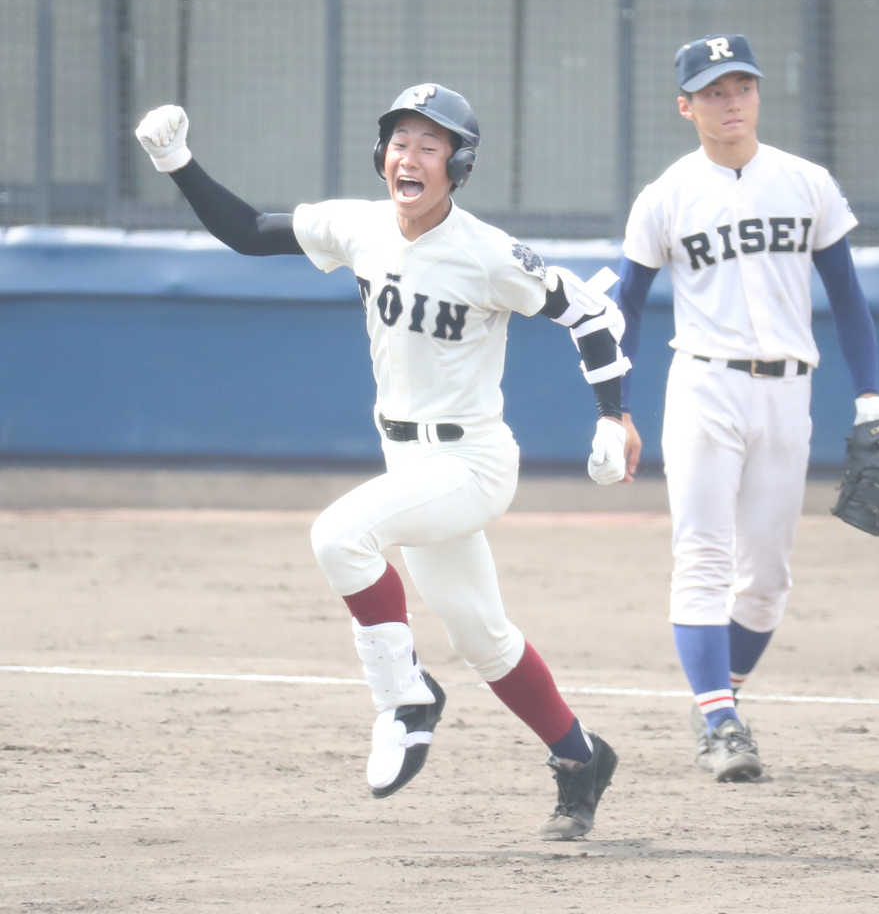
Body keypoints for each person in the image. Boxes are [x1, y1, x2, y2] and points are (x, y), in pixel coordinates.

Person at [135, 83, 628, 839]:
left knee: (339, 535)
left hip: (472, 465)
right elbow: (248, 231)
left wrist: (612, 416)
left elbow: (589, 312)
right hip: (409, 463)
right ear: (380, 154)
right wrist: (177, 162)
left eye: (430, 145)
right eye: (400, 141)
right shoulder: (360, 227)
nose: (410, 156)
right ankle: (580, 756)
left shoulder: (489, 253)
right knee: (481, 638)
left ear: (458, 165)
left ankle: (405, 697)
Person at [614, 35, 879, 781]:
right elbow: (628, 305)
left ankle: (723, 699)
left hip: (789, 391)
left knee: (768, 579)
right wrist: (610, 407)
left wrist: (870, 400)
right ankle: (719, 721)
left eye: (742, 84)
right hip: (705, 388)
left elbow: (848, 300)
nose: (732, 100)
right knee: (704, 559)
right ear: (686, 106)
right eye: (713, 90)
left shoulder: (805, 182)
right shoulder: (666, 195)